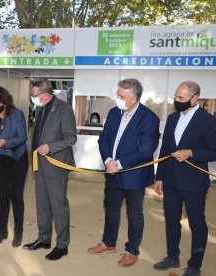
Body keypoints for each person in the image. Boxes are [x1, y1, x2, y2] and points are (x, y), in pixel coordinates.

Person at [153, 81, 216, 276]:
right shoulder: (172, 118)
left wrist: (191, 152)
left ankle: (194, 265)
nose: (176, 100)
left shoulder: (208, 121)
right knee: (171, 220)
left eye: (181, 98)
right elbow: (166, 149)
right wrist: (160, 177)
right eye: (175, 96)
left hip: (194, 183)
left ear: (195, 99)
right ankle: (172, 257)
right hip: (171, 181)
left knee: (196, 223)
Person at [87, 78, 160, 267]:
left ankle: (132, 251)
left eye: (121, 96)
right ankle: (109, 242)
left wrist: (118, 163)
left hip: (133, 175)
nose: (117, 98)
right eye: (117, 94)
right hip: (112, 172)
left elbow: (146, 149)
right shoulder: (114, 113)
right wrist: (108, 161)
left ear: (133, 99)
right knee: (111, 207)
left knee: (134, 213)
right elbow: (103, 139)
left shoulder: (149, 119)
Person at [23, 78, 77, 261]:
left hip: (56, 165)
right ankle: (44, 239)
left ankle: (62, 245)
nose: (33, 98)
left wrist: (50, 147)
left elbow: (71, 138)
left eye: (34, 95)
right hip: (40, 164)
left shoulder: (64, 109)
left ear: (45, 94)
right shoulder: (39, 108)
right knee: (42, 205)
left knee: (58, 206)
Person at [0, 86, 28, 247]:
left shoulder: (17, 114)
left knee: (16, 195)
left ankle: (18, 232)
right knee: (3, 196)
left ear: (5, 101)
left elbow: (22, 137)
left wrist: (4, 142)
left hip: (17, 158)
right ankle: (2, 231)